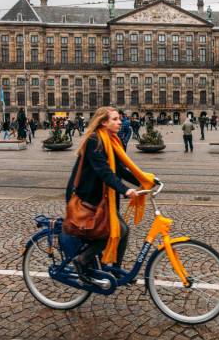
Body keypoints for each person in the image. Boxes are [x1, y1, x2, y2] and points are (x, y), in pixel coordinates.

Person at [65, 107, 155, 278]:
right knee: (114, 231)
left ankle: (115, 271)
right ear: (104, 122)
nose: (120, 122)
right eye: (115, 119)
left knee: (124, 231)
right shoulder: (94, 140)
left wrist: (144, 181)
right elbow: (104, 172)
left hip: (103, 196)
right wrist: (126, 190)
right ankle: (82, 260)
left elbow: (119, 170)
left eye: (119, 119)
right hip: (87, 196)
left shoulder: (111, 140)